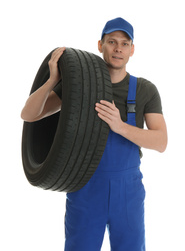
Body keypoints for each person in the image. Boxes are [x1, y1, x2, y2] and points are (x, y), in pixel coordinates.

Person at [21, 17, 167, 251]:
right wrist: (52, 80)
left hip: (127, 194)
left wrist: (120, 126)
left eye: (124, 43)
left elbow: (161, 142)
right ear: (100, 45)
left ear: (132, 50)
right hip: (85, 189)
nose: (118, 48)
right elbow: (29, 114)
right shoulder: (78, 87)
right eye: (111, 41)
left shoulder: (145, 90)